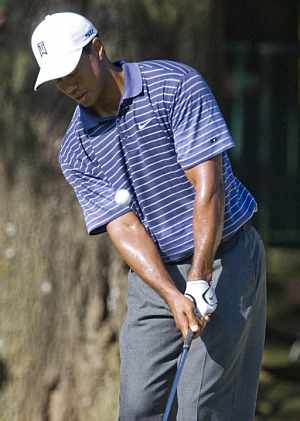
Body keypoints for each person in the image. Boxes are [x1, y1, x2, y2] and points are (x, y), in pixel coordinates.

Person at [31, 12, 267, 421]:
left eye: (71, 69)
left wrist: (199, 275)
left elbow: (207, 189)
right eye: (57, 78)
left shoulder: (175, 86)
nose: (68, 85)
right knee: (138, 407)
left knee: (200, 408)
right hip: (154, 276)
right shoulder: (75, 148)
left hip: (226, 255)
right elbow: (123, 227)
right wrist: (173, 294)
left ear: (98, 50)